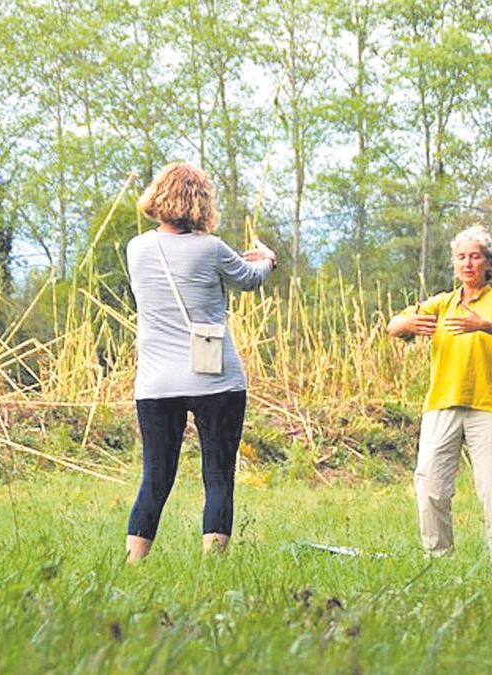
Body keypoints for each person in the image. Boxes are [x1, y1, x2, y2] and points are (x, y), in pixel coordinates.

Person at [124, 162, 276, 561]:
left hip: (156, 383)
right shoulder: (212, 248)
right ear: (201, 201)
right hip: (217, 380)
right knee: (218, 475)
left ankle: (134, 563)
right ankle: (213, 564)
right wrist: (267, 260)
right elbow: (250, 278)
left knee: (155, 478)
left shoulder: (136, 248)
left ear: (157, 197)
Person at [387, 226, 492, 560]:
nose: (468, 264)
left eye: (475, 257)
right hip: (441, 405)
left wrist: (483, 325)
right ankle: (439, 559)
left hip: (488, 408)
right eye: (462, 257)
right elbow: (393, 325)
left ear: (488, 264)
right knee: (431, 487)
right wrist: (408, 326)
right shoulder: (442, 303)